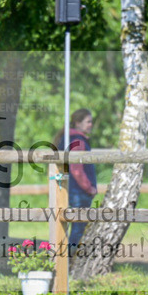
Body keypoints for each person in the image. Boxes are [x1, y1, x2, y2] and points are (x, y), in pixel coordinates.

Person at [56, 109, 98, 256]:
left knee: (69, 227)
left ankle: (65, 259)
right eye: (88, 122)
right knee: (78, 229)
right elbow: (76, 170)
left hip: (68, 189)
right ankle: (69, 260)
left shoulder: (69, 138)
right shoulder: (78, 141)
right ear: (78, 123)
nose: (91, 125)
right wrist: (89, 188)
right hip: (78, 192)